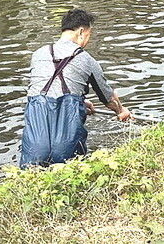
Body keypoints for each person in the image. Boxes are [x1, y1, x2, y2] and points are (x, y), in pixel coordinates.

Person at [20, 9, 132, 167]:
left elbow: (43, 89)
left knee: (32, 171)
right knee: (71, 168)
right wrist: (121, 111)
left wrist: (81, 102)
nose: (87, 40)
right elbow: (108, 98)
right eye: (88, 35)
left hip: (36, 127)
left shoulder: (38, 54)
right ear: (81, 31)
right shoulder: (86, 59)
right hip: (66, 136)